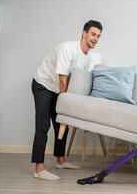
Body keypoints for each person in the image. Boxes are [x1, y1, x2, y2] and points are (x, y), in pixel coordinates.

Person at [31, 20, 103, 180]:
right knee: (43, 125)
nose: (95, 38)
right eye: (93, 34)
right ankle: (39, 168)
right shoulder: (67, 49)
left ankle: (60, 160)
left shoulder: (87, 58)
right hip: (43, 85)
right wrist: (65, 105)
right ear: (84, 33)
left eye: (98, 36)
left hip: (58, 89)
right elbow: (63, 81)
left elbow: (76, 82)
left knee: (62, 124)